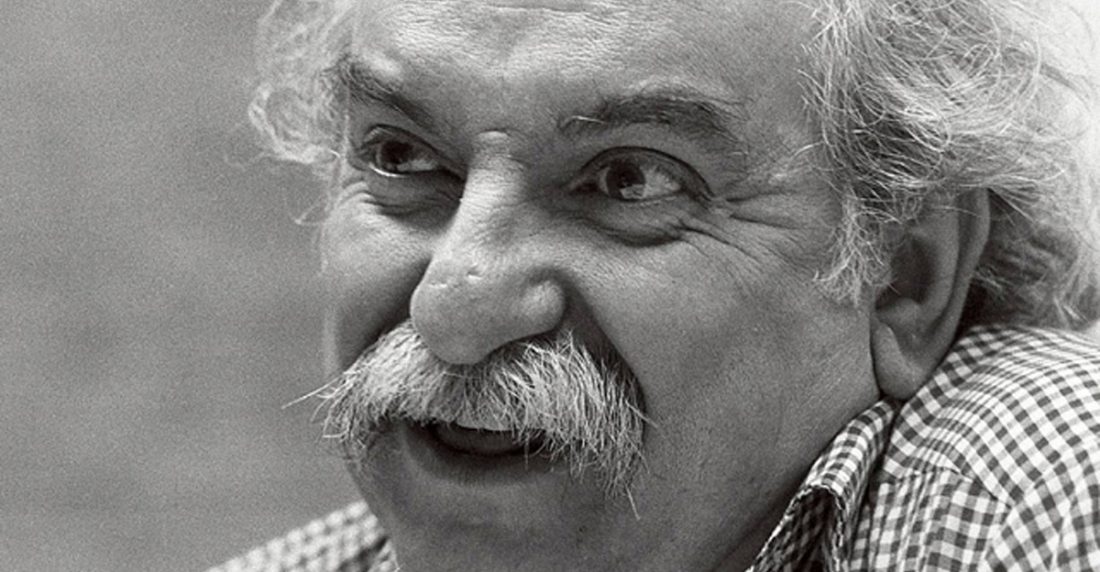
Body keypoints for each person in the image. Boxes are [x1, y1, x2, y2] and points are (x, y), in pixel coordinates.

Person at [213, 0, 1100, 570]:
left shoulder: (1034, 493)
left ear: (905, 276)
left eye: (629, 180)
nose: (454, 309)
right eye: (400, 158)